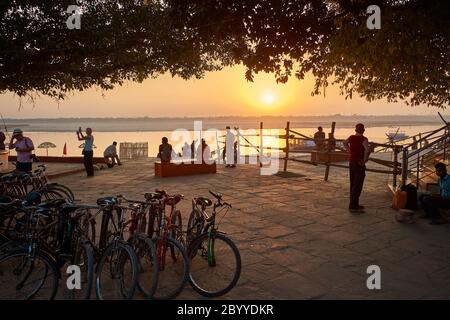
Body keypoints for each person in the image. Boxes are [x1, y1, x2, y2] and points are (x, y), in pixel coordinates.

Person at [343, 123, 370, 212]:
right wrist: (365, 160)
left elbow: (344, 143)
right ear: (363, 130)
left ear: (355, 130)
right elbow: (367, 150)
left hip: (352, 161)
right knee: (358, 184)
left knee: (353, 182)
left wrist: (349, 151)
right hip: (359, 162)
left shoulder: (351, 137)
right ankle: (353, 205)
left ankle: (354, 203)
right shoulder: (364, 139)